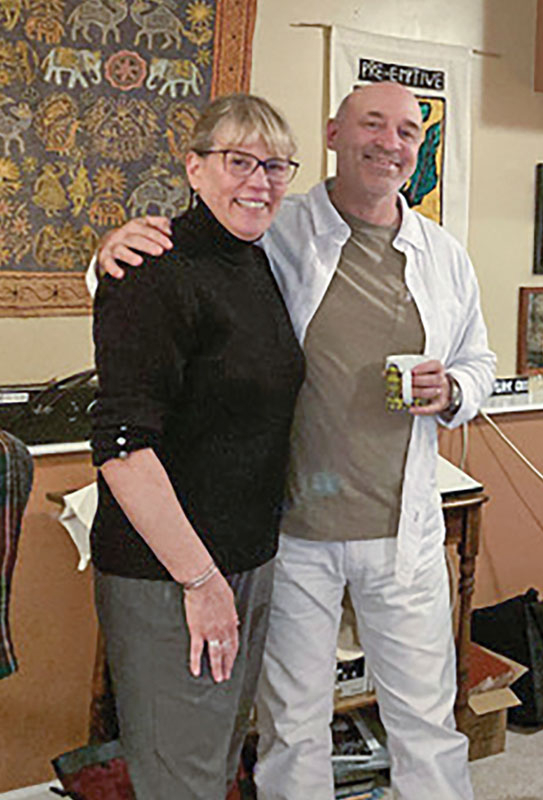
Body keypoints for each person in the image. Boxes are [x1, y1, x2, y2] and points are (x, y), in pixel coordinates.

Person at [95, 82, 495, 800]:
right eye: (372, 124)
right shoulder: (280, 226)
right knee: (291, 726)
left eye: (407, 131)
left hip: (400, 531)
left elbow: (480, 360)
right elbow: (171, 273)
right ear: (335, 134)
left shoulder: (443, 254)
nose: (390, 143)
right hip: (293, 535)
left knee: (428, 721)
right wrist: (106, 255)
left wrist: (458, 389)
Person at [89, 94, 305, 799]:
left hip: (245, 559)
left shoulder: (257, 262)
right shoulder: (152, 268)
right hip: (172, 574)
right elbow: (123, 447)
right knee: (181, 779)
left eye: (275, 166)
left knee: (212, 768)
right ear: (194, 167)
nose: (259, 181)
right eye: (239, 161)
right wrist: (201, 581)